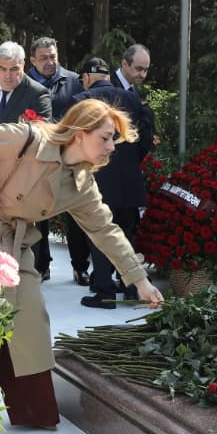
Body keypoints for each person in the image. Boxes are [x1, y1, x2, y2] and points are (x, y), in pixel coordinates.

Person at [0, 98, 165, 428]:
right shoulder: (27, 138)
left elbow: (105, 230)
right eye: (105, 138)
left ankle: (33, 411)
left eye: (113, 140)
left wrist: (140, 281)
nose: (111, 147)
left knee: (31, 317)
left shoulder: (81, 184)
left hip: (15, 243)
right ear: (80, 133)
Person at [72, 57, 154, 308]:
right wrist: (132, 162)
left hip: (98, 178)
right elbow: (146, 137)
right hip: (129, 180)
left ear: (87, 78)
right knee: (126, 233)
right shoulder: (132, 99)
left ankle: (104, 290)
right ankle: (131, 288)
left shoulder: (82, 100)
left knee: (99, 233)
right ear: (108, 77)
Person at [26, 36, 81, 282]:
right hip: (36, 159)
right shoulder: (24, 83)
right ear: (32, 60)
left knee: (75, 211)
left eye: (53, 57)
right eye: (44, 58)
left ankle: (80, 266)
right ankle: (41, 265)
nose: (50, 62)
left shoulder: (74, 81)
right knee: (38, 214)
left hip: (69, 156)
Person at [0, 41, 52, 128]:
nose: (8, 75)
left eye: (14, 69)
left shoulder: (37, 94)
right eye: (3, 69)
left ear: (23, 65)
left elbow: (43, 132)